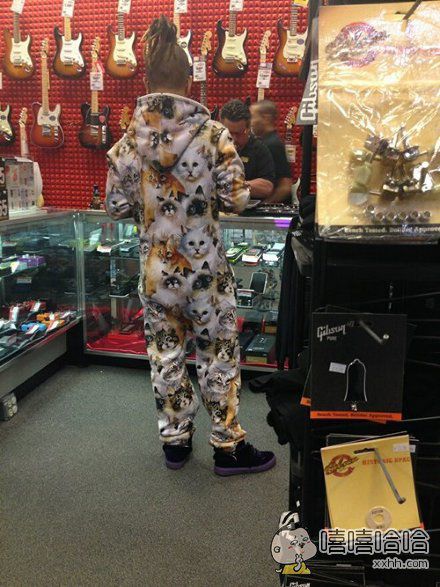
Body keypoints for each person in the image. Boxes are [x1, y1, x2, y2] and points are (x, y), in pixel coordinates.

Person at [105, 16, 276, 476]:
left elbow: (115, 207)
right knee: (217, 354)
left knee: (166, 354)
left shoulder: (126, 144)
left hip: (157, 273)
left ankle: (176, 441)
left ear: (146, 83)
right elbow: (236, 199)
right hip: (205, 272)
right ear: (188, 81)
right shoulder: (214, 135)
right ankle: (227, 446)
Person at [220, 99, 275, 200]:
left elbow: (267, 187)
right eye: (229, 133)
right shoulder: (212, 148)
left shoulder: (259, 149)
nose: (234, 138)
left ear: (249, 128)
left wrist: (236, 186)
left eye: (239, 133)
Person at [250, 100, 293, 203]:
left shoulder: (273, 145)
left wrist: (265, 205)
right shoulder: (264, 142)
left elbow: (285, 186)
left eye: (252, 117)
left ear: (266, 118)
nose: (250, 122)